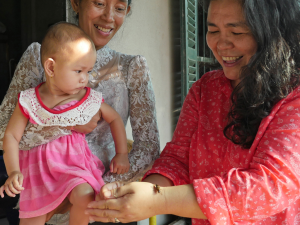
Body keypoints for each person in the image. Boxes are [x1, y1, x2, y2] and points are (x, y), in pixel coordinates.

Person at [85, 0, 300, 224]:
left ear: (272, 34)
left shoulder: (294, 98)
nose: (221, 44)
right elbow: (177, 160)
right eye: (213, 30)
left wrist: (160, 200)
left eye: (236, 32)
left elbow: (269, 186)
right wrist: (146, 190)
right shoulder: (205, 89)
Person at [0, 0, 160, 224]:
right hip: (40, 190)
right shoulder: (38, 56)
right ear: (76, 3)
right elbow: (4, 132)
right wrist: (67, 124)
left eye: (120, 8)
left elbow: (149, 150)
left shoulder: (132, 66)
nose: (109, 17)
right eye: (99, 3)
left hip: (104, 203)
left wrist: (96, 189)